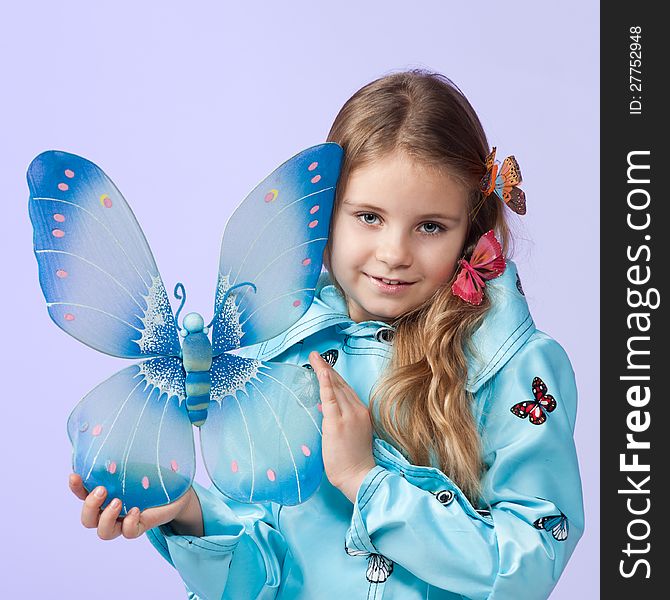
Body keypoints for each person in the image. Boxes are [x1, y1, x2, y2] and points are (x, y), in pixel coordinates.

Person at [69, 70, 584, 599]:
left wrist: (367, 481)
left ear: (469, 228)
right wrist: (190, 516)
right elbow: (261, 578)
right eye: (368, 217)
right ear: (325, 216)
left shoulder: (510, 366)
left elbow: (531, 562)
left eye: (430, 226)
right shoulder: (279, 352)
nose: (394, 253)